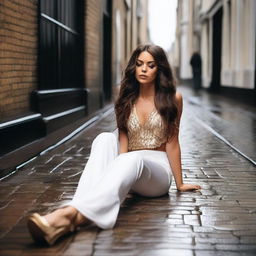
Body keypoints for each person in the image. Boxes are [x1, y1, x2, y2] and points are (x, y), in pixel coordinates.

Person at [27, 44, 201, 246]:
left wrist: (179, 184)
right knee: (104, 138)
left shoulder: (173, 99)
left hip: (157, 174)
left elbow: (172, 142)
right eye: (139, 64)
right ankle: (70, 216)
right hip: (128, 165)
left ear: (159, 69)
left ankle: (67, 216)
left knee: (132, 158)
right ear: (133, 67)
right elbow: (123, 138)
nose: (144, 69)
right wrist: (120, 178)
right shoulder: (126, 97)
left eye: (151, 65)